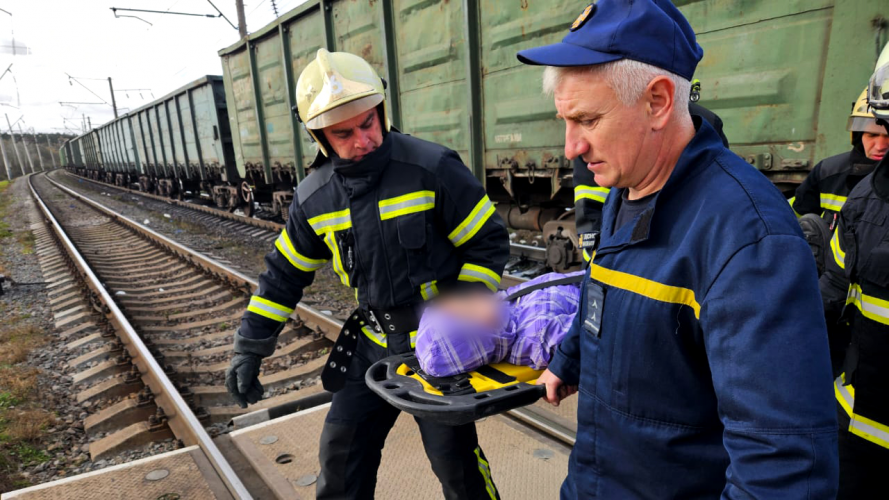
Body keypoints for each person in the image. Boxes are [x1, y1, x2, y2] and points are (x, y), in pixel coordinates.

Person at [517, 1, 839, 497]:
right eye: (565, 120)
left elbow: (782, 469)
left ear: (658, 102)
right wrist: (568, 359)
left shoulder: (749, 240)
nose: (570, 148)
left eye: (586, 120)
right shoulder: (626, 189)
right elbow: (601, 292)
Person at [224, 49, 509, 499]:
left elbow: (487, 241)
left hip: (438, 347)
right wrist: (250, 347)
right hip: (373, 345)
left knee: (458, 469)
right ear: (319, 136)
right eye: (344, 133)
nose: (363, 139)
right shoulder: (314, 198)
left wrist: (459, 312)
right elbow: (283, 275)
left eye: (368, 122)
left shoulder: (431, 168)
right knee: (340, 461)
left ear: (380, 111)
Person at [820, 42, 889, 499]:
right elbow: (829, 297)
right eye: (875, 130)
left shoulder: (864, 197)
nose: (879, 143)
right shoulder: (862, 198)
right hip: (858, 436)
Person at [573, 100, 728, 260]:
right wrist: (598, 262)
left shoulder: (704, 124)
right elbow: (590, 212)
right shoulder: (587, 136)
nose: (571, 149)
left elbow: (717, 218)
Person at [416, 271, 583, 378]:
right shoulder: (540, 336)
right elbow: (596, 330)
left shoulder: (506, 304)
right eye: (468, 306)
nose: (471, 296)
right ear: (486, 326)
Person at [791, 90, 888, 220]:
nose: (880, 146)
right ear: (858, 136)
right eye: (872, 135)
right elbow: (789, 218)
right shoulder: (827, 173)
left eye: (888, 136)